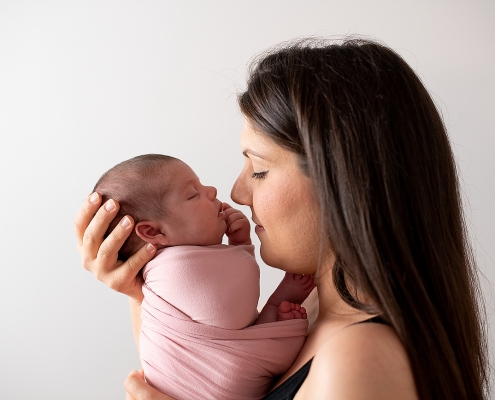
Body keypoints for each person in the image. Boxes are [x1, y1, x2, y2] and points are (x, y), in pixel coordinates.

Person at [75, 37, 489, 400]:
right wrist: (139, 287)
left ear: (341, 179)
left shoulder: (357, 359)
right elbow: (194, 372)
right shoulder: (309, 306)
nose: (237, 192)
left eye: (258, 169)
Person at [92, 154, 314, 399]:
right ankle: (274, 310)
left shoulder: (167, 273)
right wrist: (241, 247)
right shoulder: (172, 269)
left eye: (260, 170)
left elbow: (229, 314)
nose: (212, 191)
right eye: (193, 194)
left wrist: (240, 246)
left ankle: (274, 310)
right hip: (213, 381)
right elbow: (230, 310)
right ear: (153, 231)